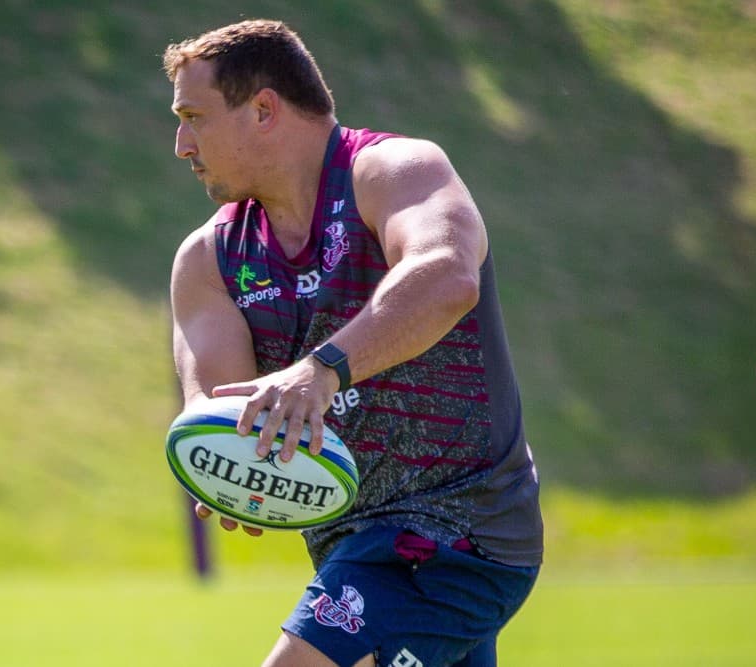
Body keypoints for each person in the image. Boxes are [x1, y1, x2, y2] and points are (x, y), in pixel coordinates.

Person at [163, 19, 543, 667]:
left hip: (459, 530)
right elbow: (217, 412)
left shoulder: (393, 171)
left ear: (262, 109)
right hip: (354, 546)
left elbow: (449, 274)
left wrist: (322, 369)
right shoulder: (209, 260)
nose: (180, 144)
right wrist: (229, 467)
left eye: (194, 116)